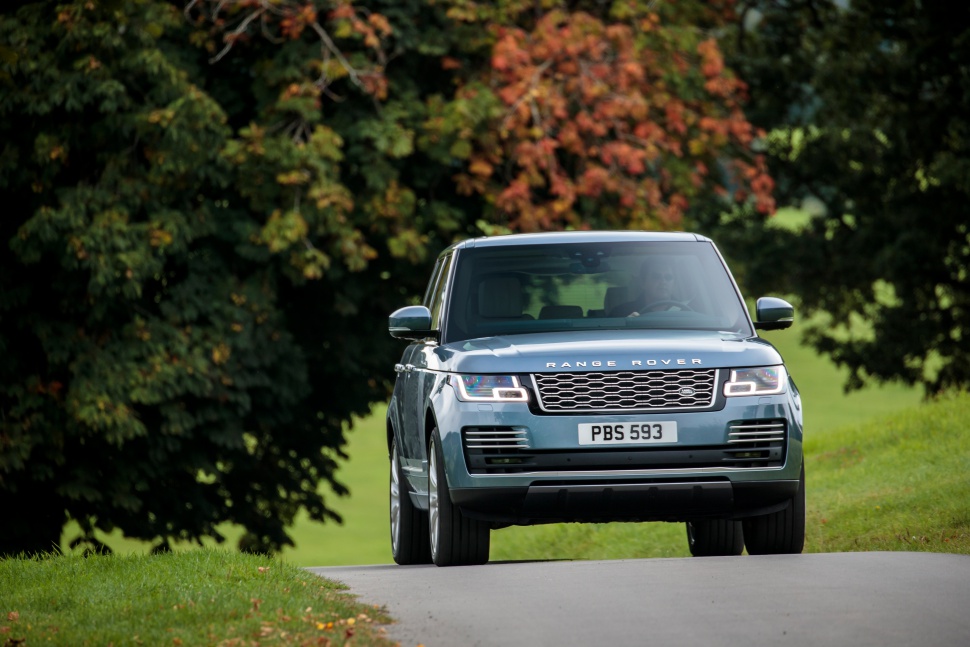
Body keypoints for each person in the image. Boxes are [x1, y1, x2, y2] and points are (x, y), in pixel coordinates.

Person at [609, 259, 685, 317]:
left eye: (668, 277)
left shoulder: (687, 312)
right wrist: (627, 326)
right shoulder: (621, 313)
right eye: (656, 277)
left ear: (674, 284)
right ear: (643, 283)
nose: (663, 281)